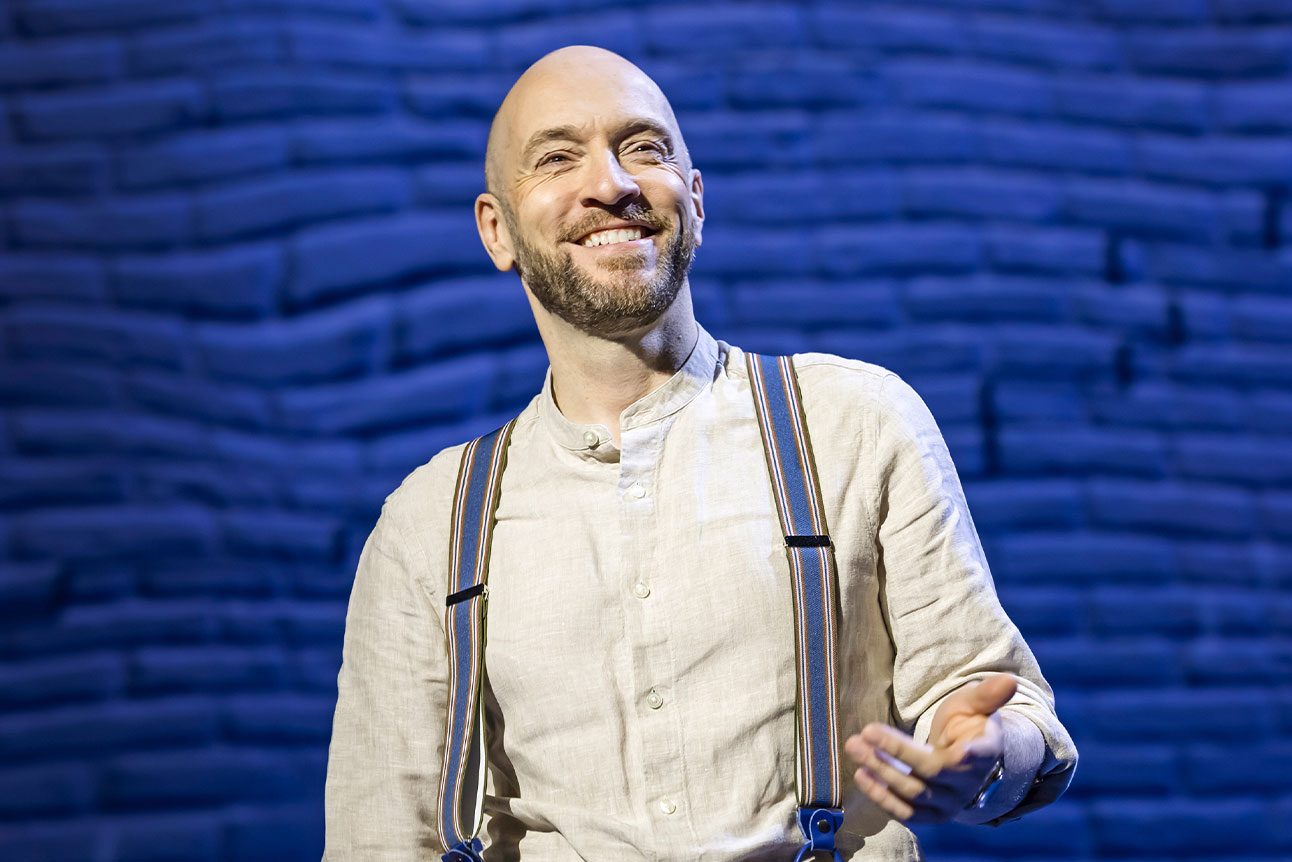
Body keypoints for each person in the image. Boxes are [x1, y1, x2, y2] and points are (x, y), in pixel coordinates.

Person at [323, 45, 1077, 861]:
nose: (610, 184)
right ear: (497, 231)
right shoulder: (427, 523)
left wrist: (987, 753)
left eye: (643, 148)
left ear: (698, 201)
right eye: (557, 158)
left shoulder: (857, 423)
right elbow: (380, 838)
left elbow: (1001, 702)